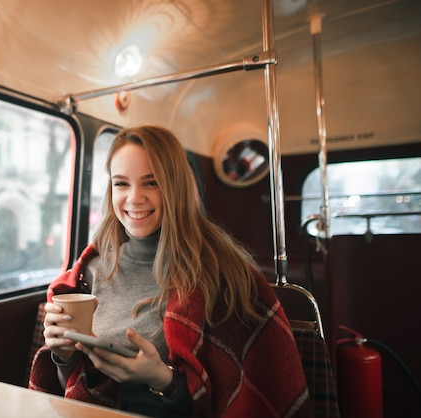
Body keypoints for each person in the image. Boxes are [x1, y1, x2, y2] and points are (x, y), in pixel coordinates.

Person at [29, 125, 313, 417]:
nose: (134, 198)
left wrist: (163, 380)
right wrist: (63, 357)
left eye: (151, 183)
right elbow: (73, 391)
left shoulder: (225, 276)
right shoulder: (90, 272)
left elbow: (233, 404)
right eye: (122, 183)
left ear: (175, 187)